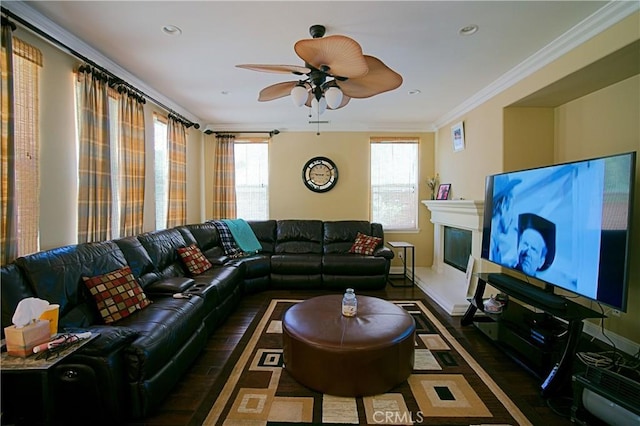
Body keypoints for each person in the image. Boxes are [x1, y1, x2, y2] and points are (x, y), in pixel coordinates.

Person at [489, 175, 521, 267]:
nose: (513, 216)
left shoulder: (493, 241)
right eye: (512, 206)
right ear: (503, 205)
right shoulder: (491, 244)